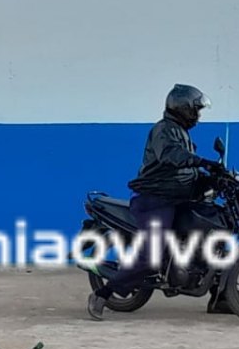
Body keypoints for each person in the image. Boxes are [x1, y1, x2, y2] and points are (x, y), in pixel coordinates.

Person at [87, 83, 230, 320]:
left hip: (174, 199)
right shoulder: (163, 130)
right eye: (196, 109)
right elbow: (171, 156)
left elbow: (184, 172)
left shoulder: (181, 132)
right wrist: (202, 162)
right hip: (154, 200)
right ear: (184, 108)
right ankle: (102, 294)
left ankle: (220, 297)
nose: (198, 115)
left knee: (213, 236)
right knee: (152, 256)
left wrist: (213, 178)